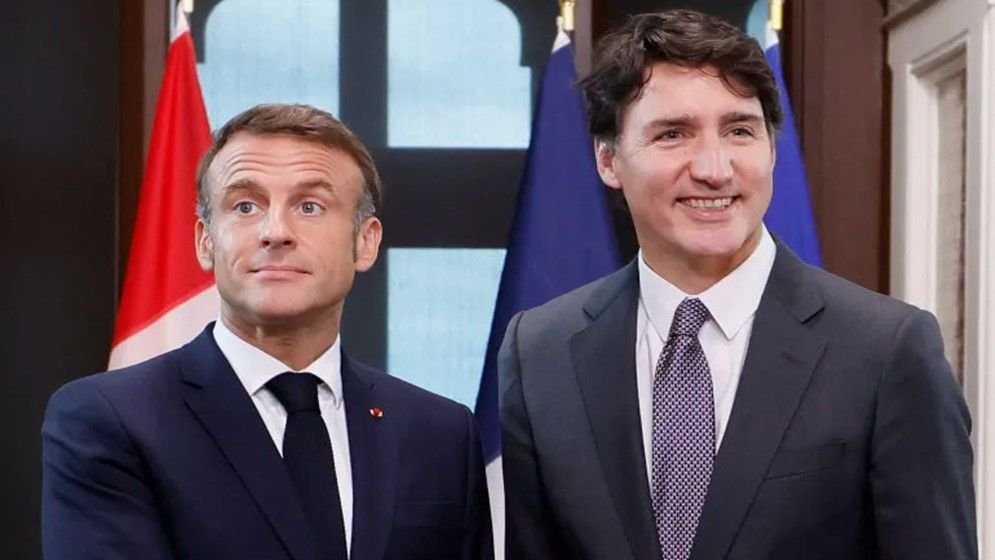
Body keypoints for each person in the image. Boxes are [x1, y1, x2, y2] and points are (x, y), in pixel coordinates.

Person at [499, 9, 975, 560]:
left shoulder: (887, 351)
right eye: (673, 134)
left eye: (739, 131)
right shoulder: (541, 352)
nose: (715, 169)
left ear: (772, 148)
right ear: (609, 160)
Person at [42, 103, 492, 560]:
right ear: (205, 241)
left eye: (310, 206)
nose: (275, 232)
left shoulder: (440, 434)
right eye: (245, 206)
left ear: (365, 241)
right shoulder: (111, 420)